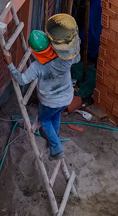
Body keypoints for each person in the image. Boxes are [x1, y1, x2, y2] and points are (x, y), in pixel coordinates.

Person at [5, 27, 76, 159]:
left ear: (33, 50)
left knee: (44, 119)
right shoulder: (64, 58)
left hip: (49, 101)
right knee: (55, 115)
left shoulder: (37, 67)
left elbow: (21, 80)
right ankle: (54, 138)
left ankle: (56, 149)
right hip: (66, 98)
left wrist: (10, 64)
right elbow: (75, 55)